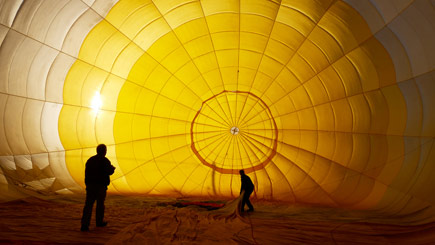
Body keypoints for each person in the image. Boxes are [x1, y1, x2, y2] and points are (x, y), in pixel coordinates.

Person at [81, 144, 116, 231]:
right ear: (104, 151)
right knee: (100, 205)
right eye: (105, 150)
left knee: (88, 206)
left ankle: (84, 225)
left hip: (91, 186)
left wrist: (87, 184)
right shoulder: (105, 161)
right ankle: (99, 222)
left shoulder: (90, 160)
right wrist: (112, 169)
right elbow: (108, 171)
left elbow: (87, 173)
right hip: (100, 186)